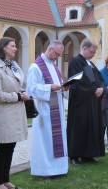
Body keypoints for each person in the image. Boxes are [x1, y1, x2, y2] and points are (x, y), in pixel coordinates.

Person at [0, 37, 30, 189]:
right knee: (2, 147)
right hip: (4, 113)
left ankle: (5, 180)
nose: (15, 48)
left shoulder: (13, 65)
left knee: (11, 146)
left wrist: (22, 92)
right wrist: (19, 96)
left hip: (15, 112)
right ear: (4, 48)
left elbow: (16, 86)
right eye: (12, 46)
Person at [26, 40, 69, 177]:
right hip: (44, 110)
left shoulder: (54, 68)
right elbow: (31, 89)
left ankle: (59, 169)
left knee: (57, 139)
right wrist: (49, 87)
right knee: (45, 142)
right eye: (57, 54)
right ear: (50, 49)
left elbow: (59, 85)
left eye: (59, 55)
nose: (57, 57)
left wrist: (64, 87)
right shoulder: (35, 67)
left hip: (57, 108)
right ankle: (44, 170)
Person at [67, 38, 105, 165]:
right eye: (92, 52)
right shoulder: (75, 62)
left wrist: (101, 88)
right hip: (80, 101)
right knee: (79, 128)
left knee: (91, 127)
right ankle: (74, 155)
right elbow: (78, 81)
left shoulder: (91, 64)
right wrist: (94, 90)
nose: (93, 54)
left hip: (92, 101)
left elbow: (99, 78)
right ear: (84, 49)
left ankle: (88, 154)